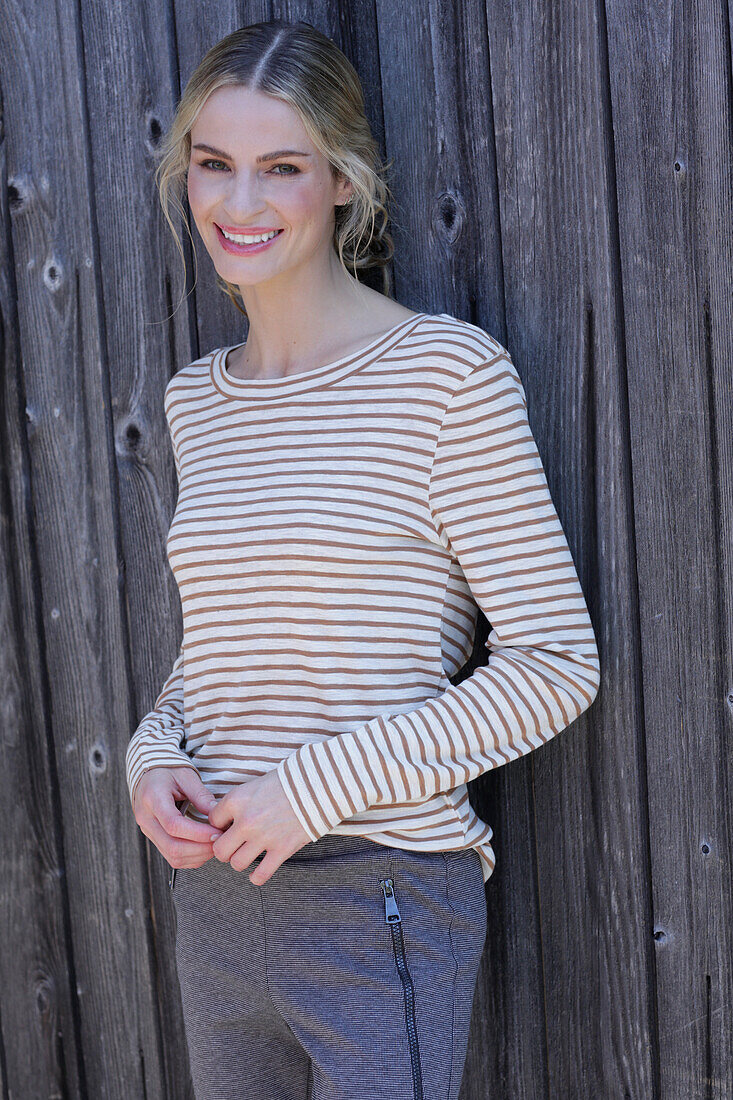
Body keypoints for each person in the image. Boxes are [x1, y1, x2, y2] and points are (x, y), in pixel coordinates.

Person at [125, 19, 601, 1100]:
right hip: (217, 899)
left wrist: (314, 786)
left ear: (341, 181)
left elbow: (555, 663)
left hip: (378, 893)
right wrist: (154, 753)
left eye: (280, 168)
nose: (238, 204)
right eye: (214, 164)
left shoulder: (444, 377)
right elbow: (221, 649)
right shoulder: (199, 402)